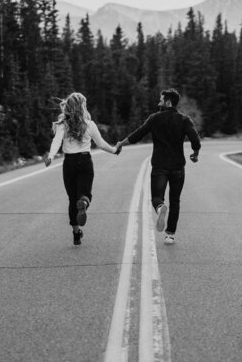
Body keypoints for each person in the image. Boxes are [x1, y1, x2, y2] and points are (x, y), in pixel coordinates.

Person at [117, 88, 200, 245]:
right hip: (178, 168)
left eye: (160, 100)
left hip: (160, 166)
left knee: (157, 198)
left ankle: (160, 207)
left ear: (168, 102)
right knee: (175, 201)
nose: (158, 103)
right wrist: (195, 154)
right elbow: (195, 140)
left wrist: (121, 143)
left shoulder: (154, 118)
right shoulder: (184, 119)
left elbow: (138, 135)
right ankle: (170, 235)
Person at [45, 92, 120, 245]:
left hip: (69, 163)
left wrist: (51, 156)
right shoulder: (89, 124)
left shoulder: (62, 124)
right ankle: (84, 203)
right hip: (85, 161)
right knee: (84, 194)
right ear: (81, 107)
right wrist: (115, 150)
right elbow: (101, 144)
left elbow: (56, 141)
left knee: (72, 199)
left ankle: (76, 233)